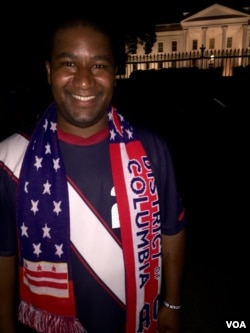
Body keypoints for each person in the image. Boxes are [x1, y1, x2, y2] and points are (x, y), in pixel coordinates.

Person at [0, 14, 186, 333]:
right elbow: (4, 252)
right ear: (49, 71)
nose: (84, 81)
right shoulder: (9, 158)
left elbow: (172, 230)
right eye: (69, 64)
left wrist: (172, 304)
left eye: (98, 65)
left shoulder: (151, 148)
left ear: (116, 73)